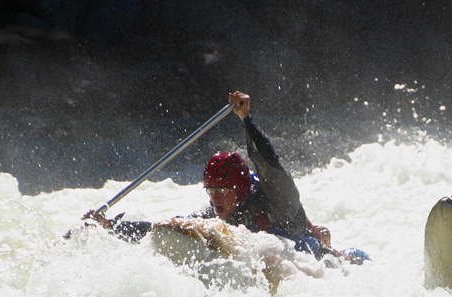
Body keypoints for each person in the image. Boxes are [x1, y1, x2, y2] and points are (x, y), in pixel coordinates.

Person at [83, 91, 352, 262]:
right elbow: (162, 229)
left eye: (222, 190)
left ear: (241, 187)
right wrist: (110, 227)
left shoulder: (276, 197)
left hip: (314, 258)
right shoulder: (215, 216)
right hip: (272, 263)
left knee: (321, 251)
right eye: (211, 190)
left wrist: (246, 119)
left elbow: (267, 161)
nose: (215, 198)